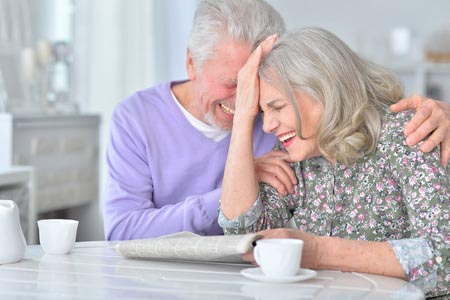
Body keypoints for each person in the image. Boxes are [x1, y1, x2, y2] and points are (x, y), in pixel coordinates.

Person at [103, 0, 450, 241]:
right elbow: (122, 232)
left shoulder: (295, 130)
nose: (247, 107)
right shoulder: (136, 118)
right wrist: (242, 174)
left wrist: (443, 112)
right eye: (232, 84)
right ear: (191, 63)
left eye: (255, 89)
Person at [218, 28, 449, 298]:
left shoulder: (408, 133)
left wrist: (317, 251)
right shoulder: (294, 153)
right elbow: (242, 235)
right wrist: (242, 115)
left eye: (278, 107)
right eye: (261, 112)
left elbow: (444, 258)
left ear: (323, 90)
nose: (268, 125)